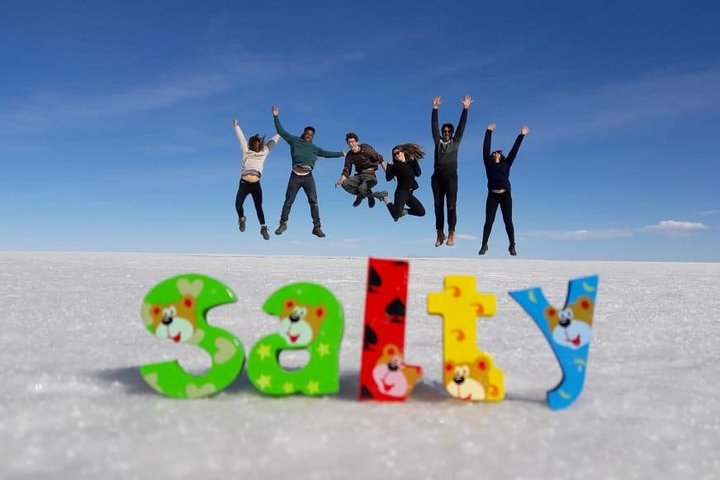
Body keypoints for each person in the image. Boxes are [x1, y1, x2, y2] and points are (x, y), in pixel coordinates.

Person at [271, 105, 345, 238]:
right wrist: (275, 116)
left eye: (311, 134)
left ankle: (317, 227)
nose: (309, 135)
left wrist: (341, 154)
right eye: (307, 133)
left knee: (314, 202)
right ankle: (283, 224)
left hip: (308, 177)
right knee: (288, 201)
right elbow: (281, 131)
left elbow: (327, 154)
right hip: (295, 176)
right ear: (304, 133)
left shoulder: (315, 148)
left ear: (313, 137)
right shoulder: (295, 141)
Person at [479, 123, 530, 256]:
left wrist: (521, 135)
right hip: (492, 196)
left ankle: (512, 245)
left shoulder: (506, 164)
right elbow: (485, 149)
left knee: (508, 221)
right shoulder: (489, 165)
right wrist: (488, 132)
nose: (496, 153)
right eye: (494, 152)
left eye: (498, 152)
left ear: (501, 156)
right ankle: (484, 244)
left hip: (505, 195)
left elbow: (514, 150)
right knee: (489, 221)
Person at [431, 94, 472, 247]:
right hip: (437, 178)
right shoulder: (438, 142)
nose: (446, 133)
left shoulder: (456, 141)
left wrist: (465, 109)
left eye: (449, 131)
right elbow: (434, 127)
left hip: (451, 178)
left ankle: (451, 233)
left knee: (451, 205)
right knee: (437, 206)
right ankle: (439, 233)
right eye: (445, 131)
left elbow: (462, 126)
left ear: (452, 133)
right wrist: (435, 108)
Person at [232, 119, 280, 240]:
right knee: (238, 205)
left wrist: (280, 133)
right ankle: (242, 218)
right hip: (244, 184)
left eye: (259, 142)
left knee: (258, 207)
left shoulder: (264, 152)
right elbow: (241, 138)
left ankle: (263, 228)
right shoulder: (246, 151)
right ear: (251, 144)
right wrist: (236, 126)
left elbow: (272, 143)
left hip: (255, 185)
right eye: (255, 142)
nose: (257, 144)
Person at [335, 133, 388, 208]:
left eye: (353, 142)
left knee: (361, 188)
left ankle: (372, 195)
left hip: (369, 174)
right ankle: (365, 195)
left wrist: (387, 172)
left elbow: (380, 159)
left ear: (357, 142)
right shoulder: (349, 155)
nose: (351, 144)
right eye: (349, 142)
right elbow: (347, 169)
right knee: (345, 184)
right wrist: (341, 180)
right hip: (358, 175)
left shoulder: (366, 149)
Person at [380, 144, 426, 221]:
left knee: (421, 212)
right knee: (396, 216)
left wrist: (414, 160)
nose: (396, 155)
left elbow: (418, 173)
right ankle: (385, 198)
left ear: (403, 152)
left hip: (409, 194)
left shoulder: (410, 162)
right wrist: (389, 166)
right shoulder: (395, 166)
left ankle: (404, 211)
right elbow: (388, 178)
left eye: (397, 153)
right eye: (394, 155)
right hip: (401, 193)